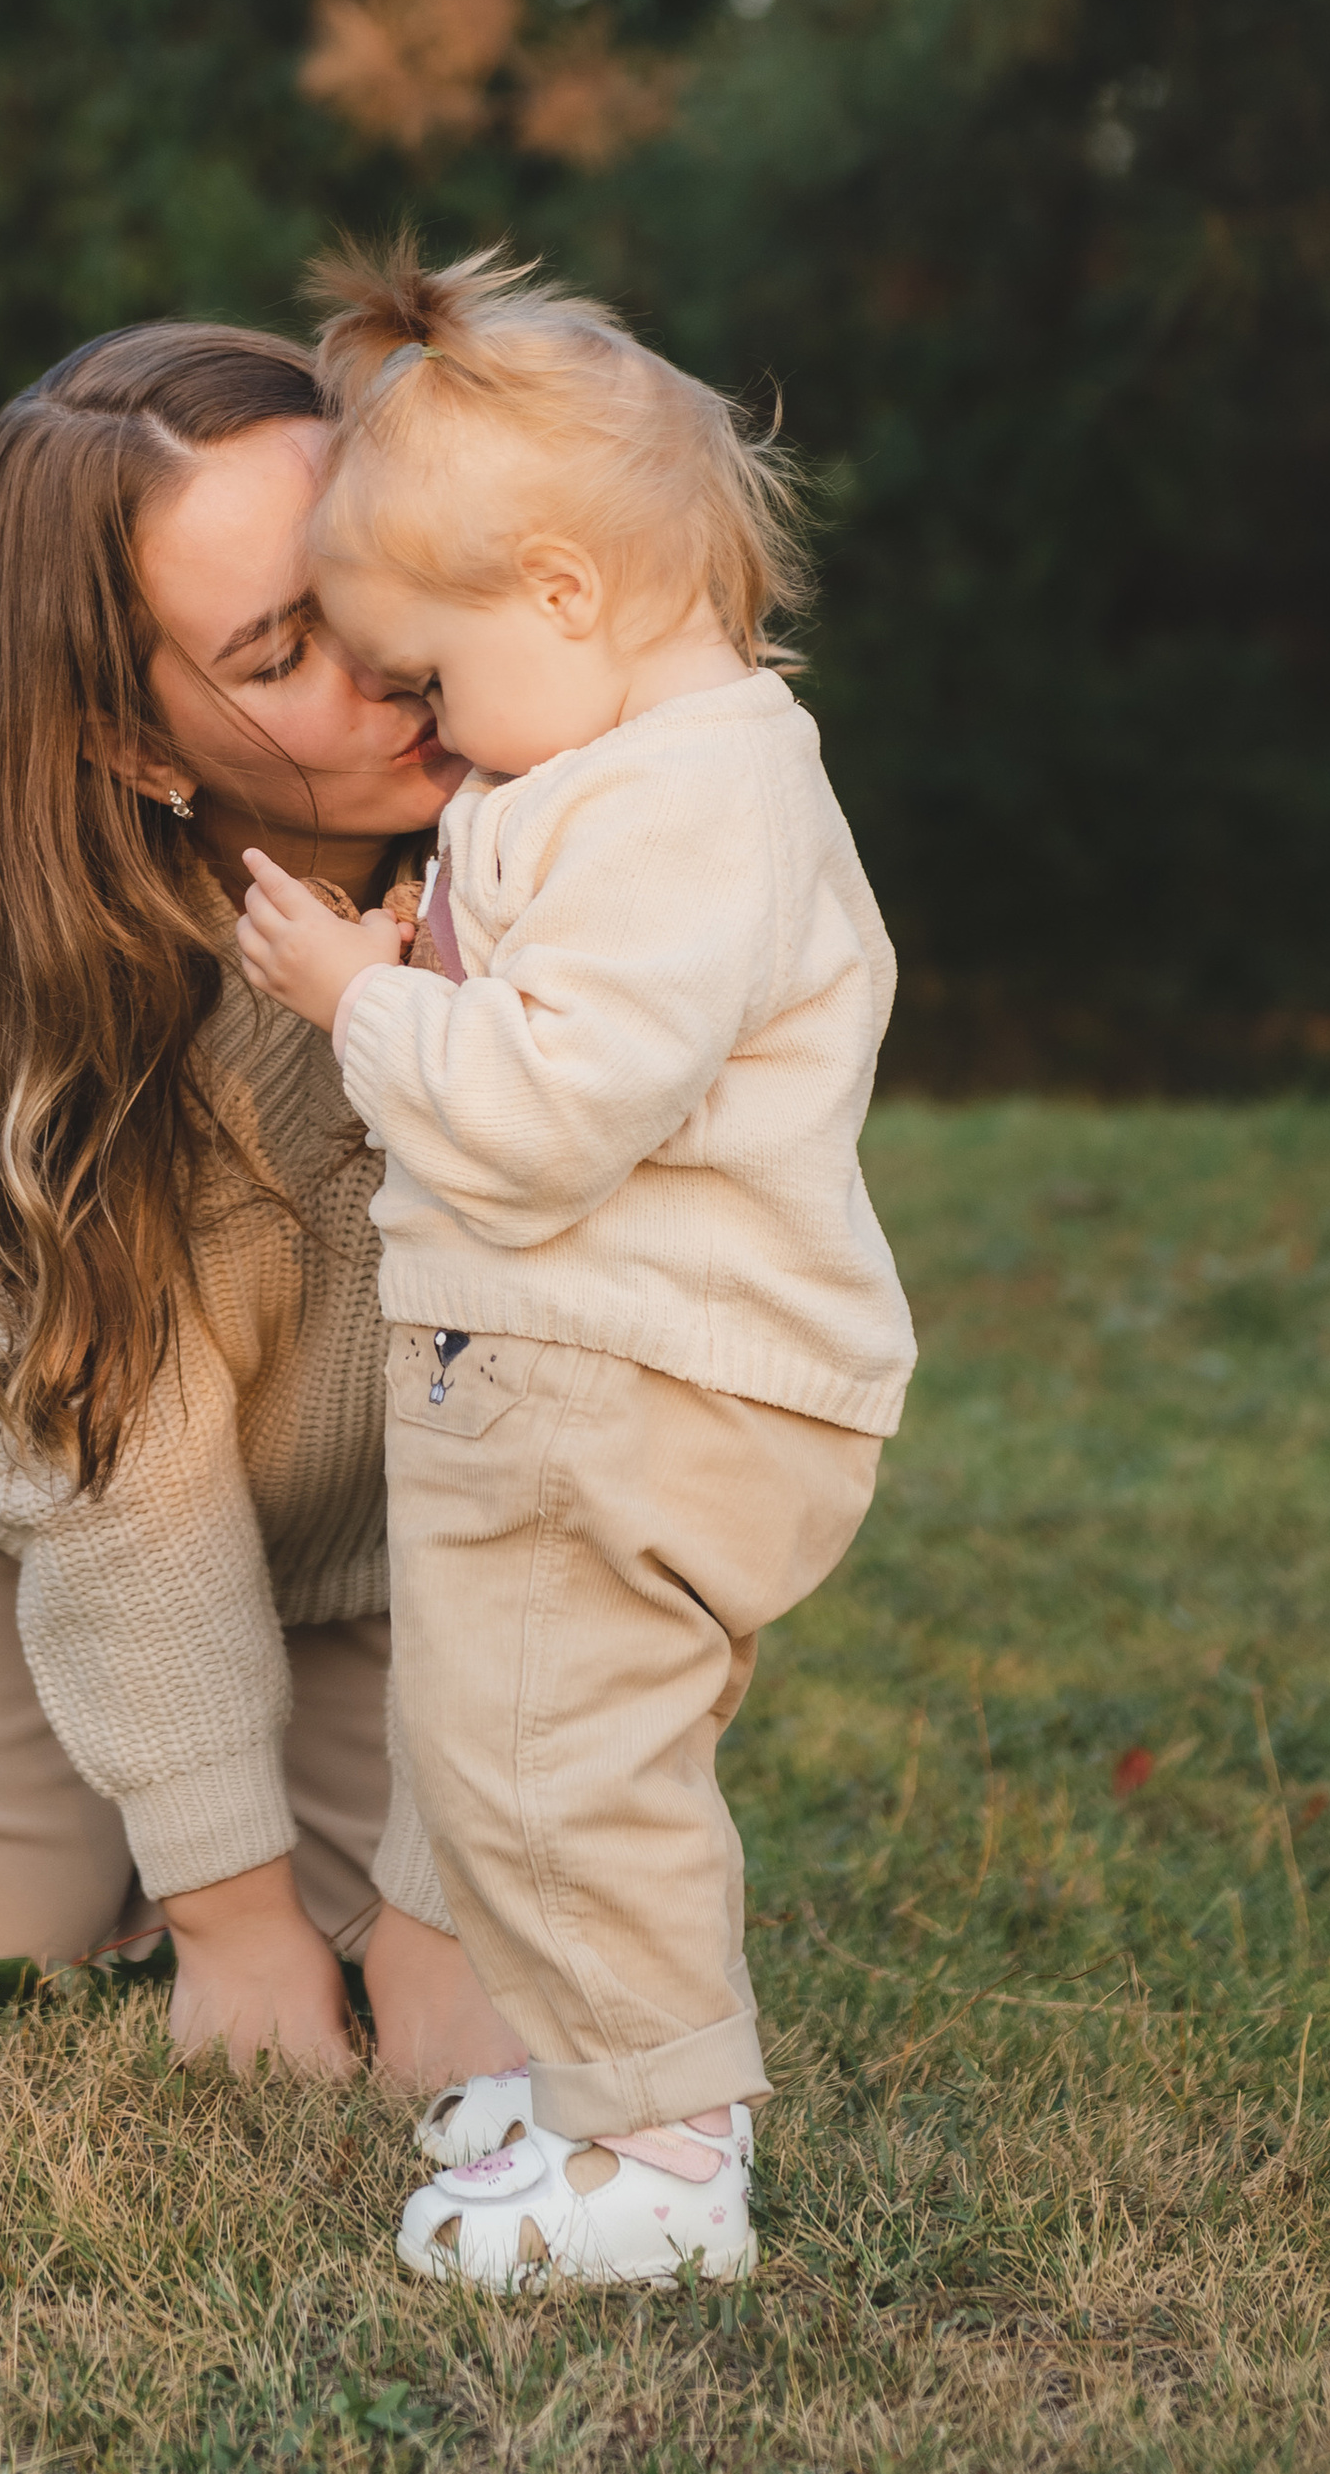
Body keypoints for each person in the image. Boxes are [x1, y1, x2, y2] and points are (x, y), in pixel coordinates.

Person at [0, 319, 528, 2091]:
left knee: (442, 1932)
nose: (396, 660)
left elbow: (662, 1359)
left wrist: (445, 1913)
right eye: (282, 648)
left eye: (363, 569)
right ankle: (55, 1744)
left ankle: (205, 1725)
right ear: (128, 735)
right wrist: (228, 1917)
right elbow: (104, 1423)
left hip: (364, 1431)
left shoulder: (575, 684)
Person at [236, 241, 916, 2286]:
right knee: (514, 1751)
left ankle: (663, 2160)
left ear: (558, 593)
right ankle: (585, 2083)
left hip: (624, 1384)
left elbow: (546, 1112)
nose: (417, 730)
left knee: (560, 1768)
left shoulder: (689, 807)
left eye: (427, 682)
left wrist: (357, 996)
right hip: (585, 1371)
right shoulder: (630, 780)